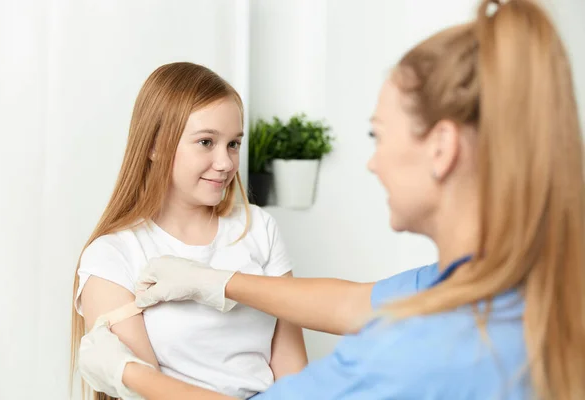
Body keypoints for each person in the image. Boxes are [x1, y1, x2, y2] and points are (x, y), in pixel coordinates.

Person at [77, 0, 585, 399]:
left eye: (377, 136)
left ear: (442, 149)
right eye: (206, 142)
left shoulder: (411, 353)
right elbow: (355, 302)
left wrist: (131, 375)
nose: (371, 163)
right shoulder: (502, 290)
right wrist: (220, 282)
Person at [70, 62, 308, 400]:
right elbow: (148, 393)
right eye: (206, 142)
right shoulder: (114, 256)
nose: (225, 163)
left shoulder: (258, 229)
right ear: (153, 145)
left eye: (234, 144)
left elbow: (294, 374)